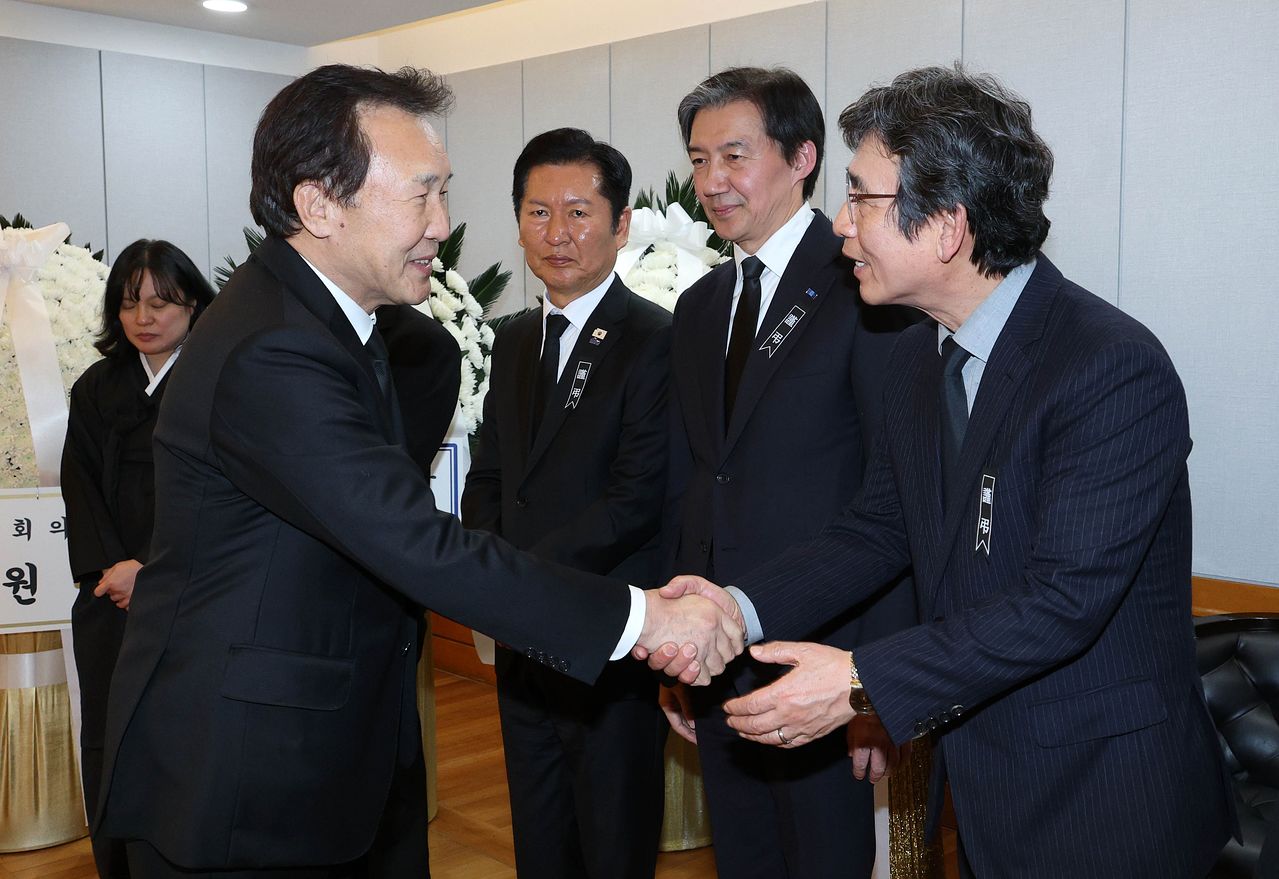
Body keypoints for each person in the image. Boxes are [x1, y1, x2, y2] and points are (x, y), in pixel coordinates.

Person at [93, 64, 741, 879]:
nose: (443, 223)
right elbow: (412, 541)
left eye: (447, 193)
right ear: (319, 203)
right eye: (422, 195)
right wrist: (643, 620)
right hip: (245, 780)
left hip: (329, 754)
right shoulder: (274, 349)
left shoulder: (340, 325)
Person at [652, 65, 1235, 878]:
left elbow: (1061, 602)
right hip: (988, 778)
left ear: (946, 227)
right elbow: (878, 527)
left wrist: (860, 680)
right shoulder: (924, 366)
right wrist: (737, 607)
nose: (843, 229)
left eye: (860, 198)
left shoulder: (1106, 366)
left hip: (1104, 796)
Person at [658, 67, 915, 879]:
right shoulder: (699, 305)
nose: (712, 182)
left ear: (803, 157)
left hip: (827, 659)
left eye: (734, 155)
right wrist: (678, 639)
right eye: (699, 160)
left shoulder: (863, 285)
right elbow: (697, 482)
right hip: (718, 653)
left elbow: (894, 497)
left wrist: (875, 691)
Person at [461, 127, 670, 879]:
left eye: (579, 212)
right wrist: (488, 566)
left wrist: (514, 578)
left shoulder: (654, 339)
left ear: (620, 225)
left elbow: (635, 499)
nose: (557, 233)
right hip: (521, 634)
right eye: (537, 211)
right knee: (539, 832)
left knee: (612, 838)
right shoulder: (514, 337)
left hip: (603, 633)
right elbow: (487, 474)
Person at [61, 238, 215, 879]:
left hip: (191, 595)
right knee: (109, 735)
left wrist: (152, 570)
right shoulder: (97, 386)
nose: (143, 318)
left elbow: (220, 492)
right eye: (128, 304)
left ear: (193, 305)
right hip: (109, 596)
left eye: (160, 302)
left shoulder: (217, 380)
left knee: (185, 741)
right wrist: (112, 571)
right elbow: (81, 486)